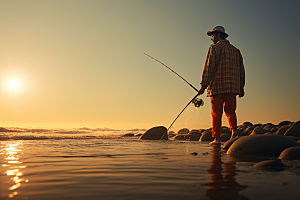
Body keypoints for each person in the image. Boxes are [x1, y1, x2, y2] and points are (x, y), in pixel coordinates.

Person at [198, 26, 245, 145]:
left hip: (217, 87)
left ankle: (217, 139)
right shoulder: (236, 50)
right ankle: (234, 131)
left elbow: (209, 67)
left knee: (216, 113)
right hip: (232, 87)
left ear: (218, 35)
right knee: (230, 111)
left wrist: (203, 85)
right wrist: (241, 87)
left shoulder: (214, 48)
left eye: (212, 36)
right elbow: (241, 70)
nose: (211, 39)